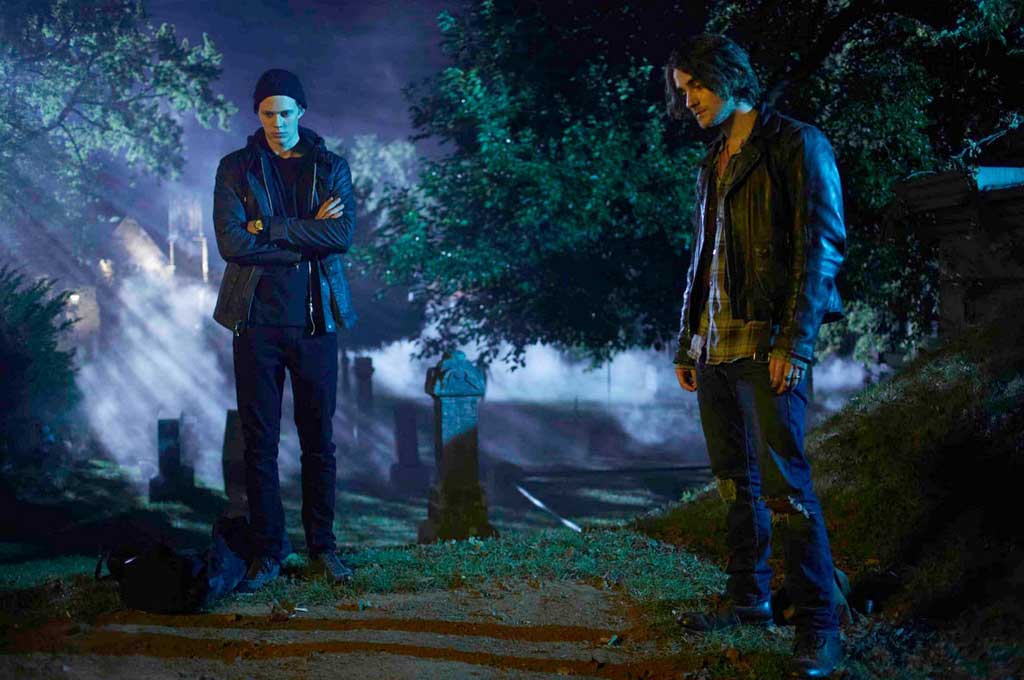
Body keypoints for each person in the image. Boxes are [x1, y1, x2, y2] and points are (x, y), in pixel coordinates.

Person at [665, 35, 846, 678]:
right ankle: (748, 600)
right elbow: (704, 259)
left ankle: (820, 626)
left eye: (696, 86)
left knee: (786, 489)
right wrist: (688, 340)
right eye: (683, 90)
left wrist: (795, 343)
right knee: (735, 484)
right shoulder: (713, 159)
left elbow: (821, 246)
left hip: (768, 344)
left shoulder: (797, 143)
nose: (688, 101)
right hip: (714, 348)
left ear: (729, 77)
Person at [212, 68, 358, 591]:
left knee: (319, 441)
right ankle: (269, 552)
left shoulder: (330, 166)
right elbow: (231, 244)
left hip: (316, 322)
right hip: (255, 323)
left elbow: (341, 234)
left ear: (301, 112)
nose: (277, 122)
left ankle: (324, 549)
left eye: (286, 112)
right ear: (257, 114)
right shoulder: (236, 167)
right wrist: (304, 237)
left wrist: (269, 228)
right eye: (268, 113)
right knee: (260, 446)